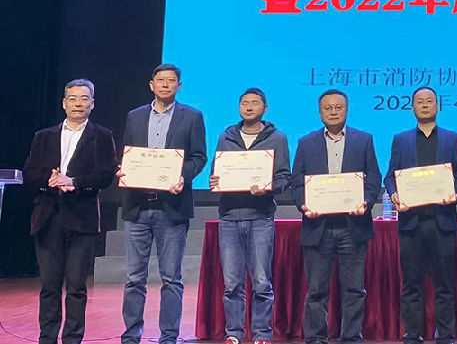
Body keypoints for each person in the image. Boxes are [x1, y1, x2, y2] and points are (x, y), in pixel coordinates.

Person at [23, 79, 117, 344]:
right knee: (49, 286)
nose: (78, 103)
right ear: (64, 103)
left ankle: (73, 339)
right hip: (48, 217)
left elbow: (105, 175)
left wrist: (73, 181)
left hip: (82, 219)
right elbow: (30, 173)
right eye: (73, 99)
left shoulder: (102, 136)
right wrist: (51, 180)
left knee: (76, 287)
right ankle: (47, 338)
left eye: (84, 98)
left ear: (92, 104)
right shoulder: (44, 136)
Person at [119, 64, 207, 344]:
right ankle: (131, 336)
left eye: (171, 81)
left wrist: (182, 176)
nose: (166, 84)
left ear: (179, 86)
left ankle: (168, 337)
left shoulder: (192, 116)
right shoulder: (134, 116)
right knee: (134, 278)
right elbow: (128, 154)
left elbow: (199, 157)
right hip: (137, 206)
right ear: (151, 85)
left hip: (172, 208)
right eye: (161, 80)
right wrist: (124, 170)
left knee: (171, 278)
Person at [291, 89, 381, 344]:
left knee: (354, 290)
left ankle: (351, 338)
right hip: (318, 226)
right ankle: (315, 339)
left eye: (338, 107)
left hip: (353, 225)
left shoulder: (364, 140)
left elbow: (373, 177)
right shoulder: (306, 142)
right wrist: (304, 204)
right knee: (316, 290)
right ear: (320, 112)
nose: (333, 112)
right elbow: (297, 181)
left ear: (347, 109)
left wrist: (366, 202)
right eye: (327, 108)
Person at [383, 86, 457, 344]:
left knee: (445, 284)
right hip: (412, 223)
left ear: (437, 106)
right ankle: (412, 334)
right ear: (412, 107)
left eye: (429, 101)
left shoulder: (453, 139)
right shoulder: (401, 139)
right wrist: (394, 194)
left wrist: (456, 194)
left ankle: (445, 335)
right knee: (411, 284)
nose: (425, 105)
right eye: (419, 101)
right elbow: (390, 176)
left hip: (443, 221)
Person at [211, 88, 291, 344]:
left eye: (254, 103)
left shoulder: (277, 138)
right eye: (244, 103)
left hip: (261, 217)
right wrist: (215, 180)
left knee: (261, 282)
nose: (248, 107)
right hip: (229, 217)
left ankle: (261, 334)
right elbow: (216, 172)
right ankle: (233, 333)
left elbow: (284, 177)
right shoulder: (226, 137)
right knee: (232, 283)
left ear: (265, 108)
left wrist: (268, 187)